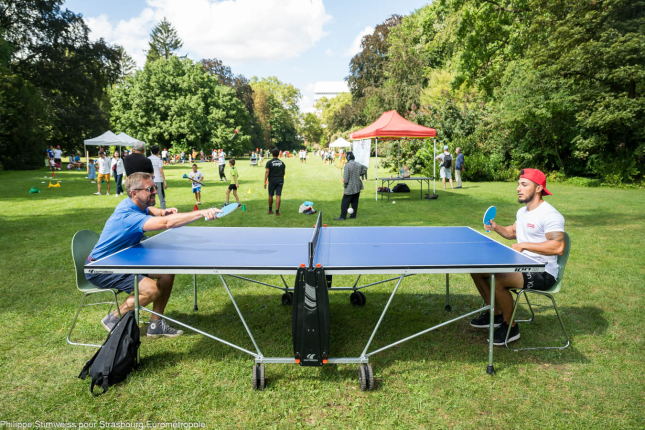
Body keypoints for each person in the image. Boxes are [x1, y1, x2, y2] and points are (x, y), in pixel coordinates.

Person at [86, 172, 221, 336]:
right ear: (134, 193)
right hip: (102, 267)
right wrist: (201, 212)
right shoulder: (128, 216)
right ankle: (114, 317)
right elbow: (167, 224)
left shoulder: (132, 204)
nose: (155, 191)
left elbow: (149, 209)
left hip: (123, 260)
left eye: (155, 187)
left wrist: (161, 212)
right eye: (150, 189)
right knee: (152, 290)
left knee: (167, 272)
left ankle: (156, 324)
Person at [469, 169, 566, 346]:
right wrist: (496, 227)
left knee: (498, 279)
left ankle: (511, 327)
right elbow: (512, 232)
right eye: (518, 184)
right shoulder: (523, 212)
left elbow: (558, 246)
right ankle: (496, 314)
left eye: (524, 184)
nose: (518, 188)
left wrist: (524, 245)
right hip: (522, 265)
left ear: (538, 188)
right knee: (476, 271)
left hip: (543, 272)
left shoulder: (550, 215)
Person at [335, 152, 368, 221]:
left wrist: (345, 186)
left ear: (348, 158)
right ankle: (353, 216)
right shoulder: (358, 164)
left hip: (350, 186)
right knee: (354, 202)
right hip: (357, 186)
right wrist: (359, 174)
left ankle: (342, 217)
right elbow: (365, 168)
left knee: (344, 202)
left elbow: (346, 179)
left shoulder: (347, 166)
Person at [264, 148, 285, 216]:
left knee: (270, 194)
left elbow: (267, 172)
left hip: (272, 180)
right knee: (278, 195)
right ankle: (277, 212)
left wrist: (265, 181)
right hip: (280, 180)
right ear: (278, 154)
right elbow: (283, 173)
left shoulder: (269, 162)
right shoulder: (282, 163)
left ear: (272, 154)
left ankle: (270, 210)